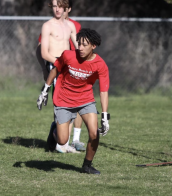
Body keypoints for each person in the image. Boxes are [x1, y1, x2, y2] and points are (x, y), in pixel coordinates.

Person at [37, 28, 110, 174]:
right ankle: (54, 131)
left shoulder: (100, 64)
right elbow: (55, 70)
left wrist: (105, 116)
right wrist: (45, 90)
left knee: (94, 134)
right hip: (64, 99)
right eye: (79, 44)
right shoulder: (68, 55)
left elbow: (103, 91)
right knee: (62, 141)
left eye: (85, 45)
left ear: (93, 46)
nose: (80, 48)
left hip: (85, 99)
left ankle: (87, 165)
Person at [36, 0, 84, 153]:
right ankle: (60, 143)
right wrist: (57, 64)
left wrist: (86, 62)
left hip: (68, 67)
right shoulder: (47, 26)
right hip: (55, 65)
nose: (58, 9)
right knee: (61, 103)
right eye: (55, 6)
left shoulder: (70, 26)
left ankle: (62, 141)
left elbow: (78, 49)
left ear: (66, 8)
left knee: (73, 103)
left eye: (61, 6)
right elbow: (43, 53)